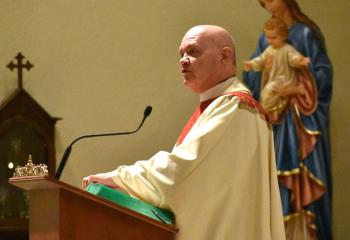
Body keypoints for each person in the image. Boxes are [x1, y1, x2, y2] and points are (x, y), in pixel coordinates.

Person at [83, 25, 286, 240]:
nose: (183, 60)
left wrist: (119, 178)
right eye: (181, 54)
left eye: (193, 52)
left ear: (225, 56)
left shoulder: (233, 106)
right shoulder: (227, 106)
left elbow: (179, 171)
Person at [243, 1, 333, 239]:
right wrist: (257, 71)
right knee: (277, 181)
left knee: (301, 182)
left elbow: (323, 74)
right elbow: (253, 77)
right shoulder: (267, 40)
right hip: (277, 123)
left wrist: (296, 88)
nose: (268, 4)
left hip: (301, 123)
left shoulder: (304, 33)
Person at [243, 17, 313, 123]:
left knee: (267, 92)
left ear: (284, 36)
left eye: (274, 38)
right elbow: (261, 59)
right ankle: (275, 112)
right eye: (268, 37)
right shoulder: (269, 50)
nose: (270, 41)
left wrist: (300, 61)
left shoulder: (287, 49)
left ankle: (265, 112)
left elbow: (293, 58)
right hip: (274, 79)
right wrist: (251, 64)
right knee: (271, 94)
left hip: (285, 79)